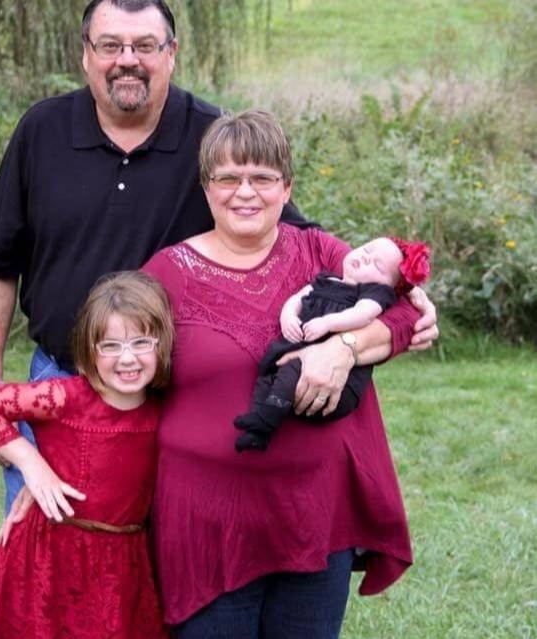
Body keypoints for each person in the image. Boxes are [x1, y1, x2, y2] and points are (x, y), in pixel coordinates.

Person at [0, 0, 312, 514]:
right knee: (41, 544)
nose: (127, 59)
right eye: (111, 45)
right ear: (86, 54)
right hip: (58, 383)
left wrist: (381, 292)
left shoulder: (211, 137)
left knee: (162, 554)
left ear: (171, 53)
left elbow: (295, 239)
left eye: (145, 46)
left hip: (172, 400)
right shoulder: (42, 131)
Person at [133, 109, 424, 638]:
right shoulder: (165, 274)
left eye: (262, 178)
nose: (245, 192)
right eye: (228, 178)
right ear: (206, 188)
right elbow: (115, 372)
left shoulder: (323, 255)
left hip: (314, 515)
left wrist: (344, 349)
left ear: (287, 188)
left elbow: (409, 313)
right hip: (207, 524)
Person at [0, 271, 173, 639]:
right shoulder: (64, 397)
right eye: (110, 345)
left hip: (123, 563)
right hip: (48, 561)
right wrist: (31, 463)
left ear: (161, 344)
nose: (127, 358)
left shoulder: (163, 411)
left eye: (141, 342)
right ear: (89, 349)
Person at [234, 236, 431, 452]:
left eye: (377, 265)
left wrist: (328, 323)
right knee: (269, 372)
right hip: (299, 351)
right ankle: (257, 427)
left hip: (338, 384)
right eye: (366, 250)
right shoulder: (326, 279)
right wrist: (288, 316)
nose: (365, 258)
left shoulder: (374, 293)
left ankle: (266, 421)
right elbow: (298, 298)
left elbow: (363, 314)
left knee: (292, 369)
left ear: (388, 285)